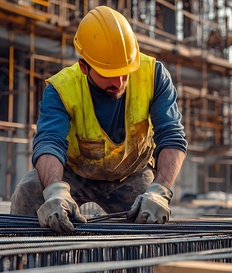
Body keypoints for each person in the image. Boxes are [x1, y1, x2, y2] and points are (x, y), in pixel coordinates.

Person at [10, 6, 187, 233]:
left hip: (131, 175)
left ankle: (138, 269)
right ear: (84, 66)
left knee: (149, 218)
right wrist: (55, 191)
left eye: (125, 72)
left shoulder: (154, 76)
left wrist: (160, 191)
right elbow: (49, 142)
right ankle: (27, 265)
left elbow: (172, 135)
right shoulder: (62, 88)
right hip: (73, 174)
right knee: (29, 193)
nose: (120, 82)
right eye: (109, 73)